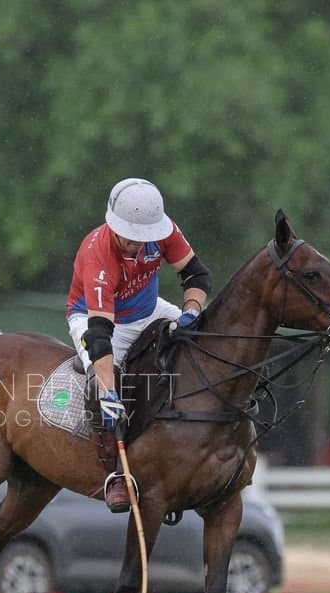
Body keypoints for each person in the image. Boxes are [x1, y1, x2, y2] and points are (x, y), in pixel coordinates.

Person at [66, 178, 213, 512]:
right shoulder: (99, 254)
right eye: (131, 239)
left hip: (149, 309)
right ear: (114, 226)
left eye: (144, 239)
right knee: (109, 394)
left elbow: (197, 275)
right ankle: (117, 475)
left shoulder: (162, 232)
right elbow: (100, 334)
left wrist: (191, 312)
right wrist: (108, 390)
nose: (138, 245)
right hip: (98, 319)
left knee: (204, 340)